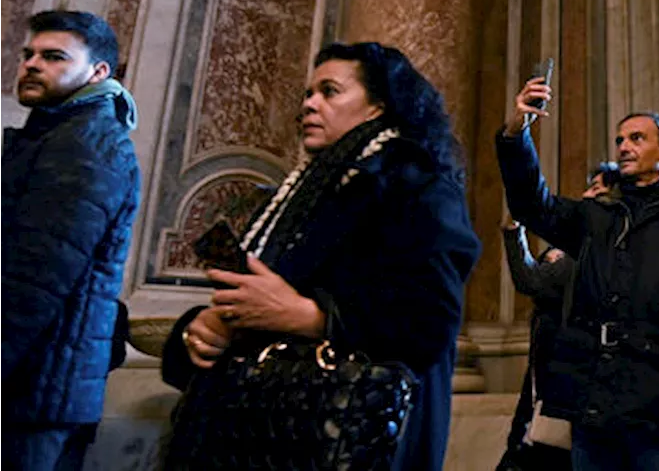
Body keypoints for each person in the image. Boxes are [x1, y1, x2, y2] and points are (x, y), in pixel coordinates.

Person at [160, 42, 481, 471]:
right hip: (254, 430)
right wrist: (202, 329)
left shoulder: (417, 187)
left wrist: (309, 316)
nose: (310, 104)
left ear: (376, 107)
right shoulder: (302, 192)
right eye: (308, 94)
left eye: (329, 91)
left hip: (342, 436)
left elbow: (429, 322)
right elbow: (262, 299)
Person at [496, 76, 659, 470]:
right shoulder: (596, 216)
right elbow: (532, 206)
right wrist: (515, 133)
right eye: (621, 140)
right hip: (597, 409)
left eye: (638, 138)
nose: (625, 147)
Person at [0, 11, 141, 471]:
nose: (32, 65)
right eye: (29, 55)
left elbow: (35, 278)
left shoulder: (85, 142)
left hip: (36, 392)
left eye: (54, 56)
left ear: (98, 72)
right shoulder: (60, 133)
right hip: (33, 386)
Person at [497, 164, 615, 471]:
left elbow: (530, 280)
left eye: (598, 188)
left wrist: (513, 234)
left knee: (543, 449)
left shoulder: (585, 249)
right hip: (555, 357)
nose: (588, 194)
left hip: (567, 364)